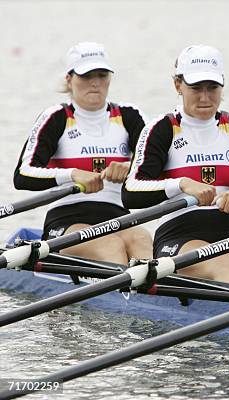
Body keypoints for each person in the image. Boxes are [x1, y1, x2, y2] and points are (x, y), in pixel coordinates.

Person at [122, 44, 229, 286]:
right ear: (178, 85)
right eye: (196, 88)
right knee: (226, 265)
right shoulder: (162, 129)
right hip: (178, 236)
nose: (205, 97)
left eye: (212, 88)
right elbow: (131, 192)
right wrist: (182, 184)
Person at [14, 41, 152, 264]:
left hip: (119, 217)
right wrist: (71, 175)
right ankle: (120, 293)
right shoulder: (56, 117)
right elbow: (22, 175)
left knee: (142, 239)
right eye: (87, 76)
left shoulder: (130, 116)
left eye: (101, 75)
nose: (95, 83)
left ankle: (155, 295)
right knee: (111, 246)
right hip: (67, 219)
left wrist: (131, 168)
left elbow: (159, 167)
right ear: (69, 79)